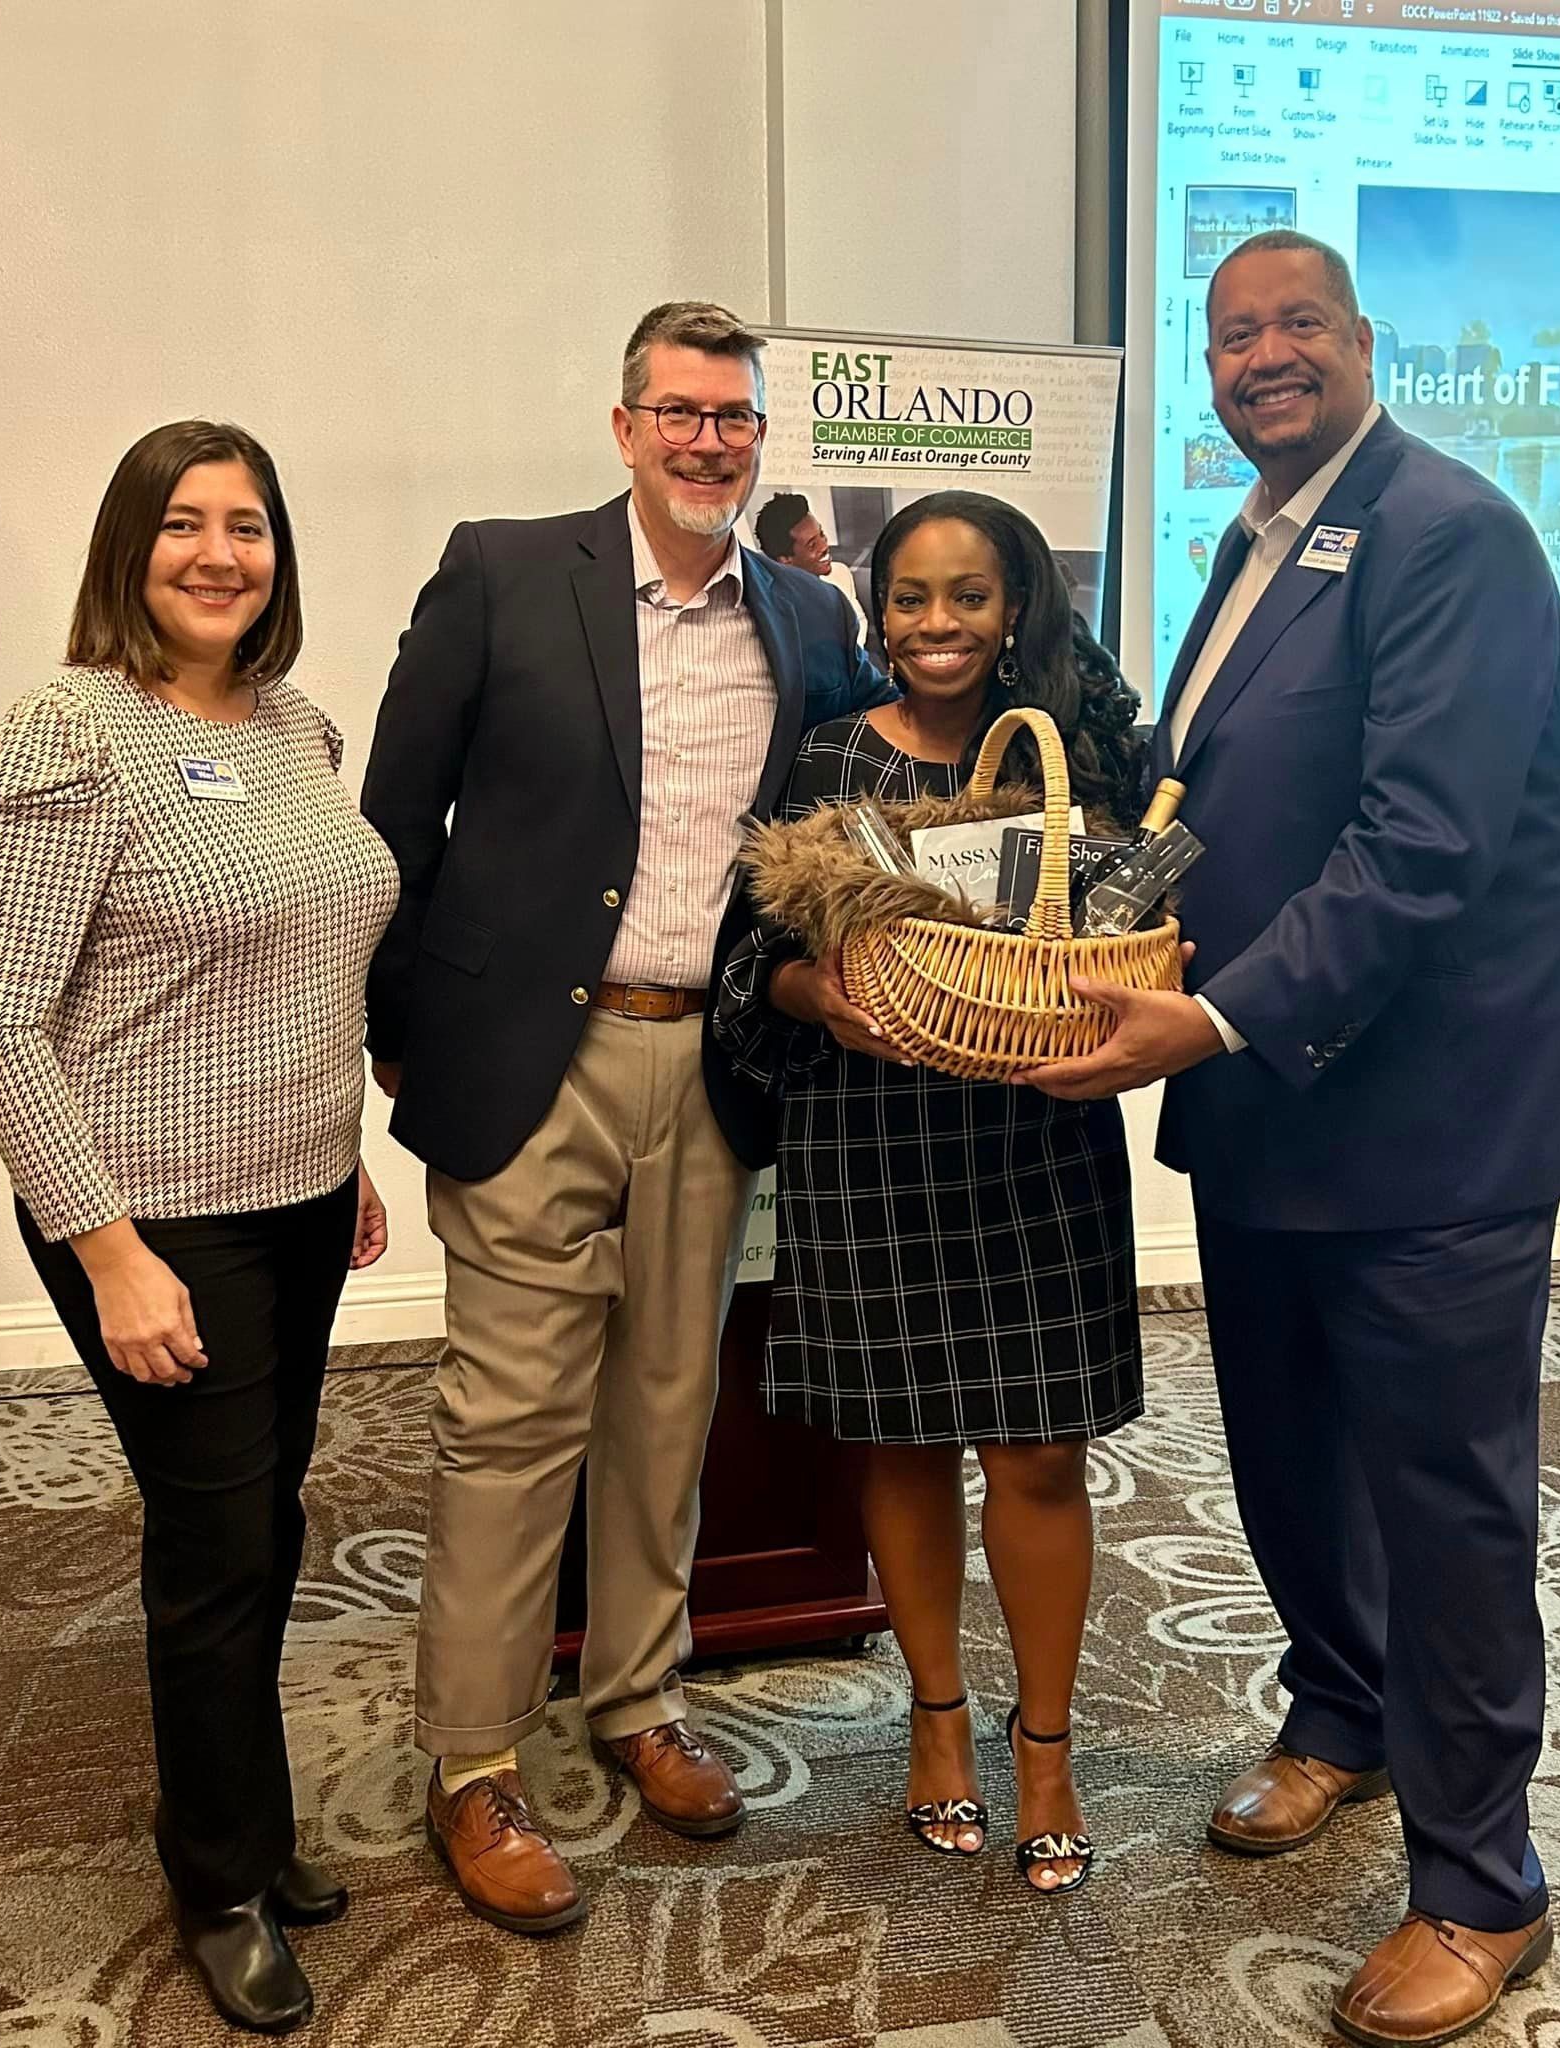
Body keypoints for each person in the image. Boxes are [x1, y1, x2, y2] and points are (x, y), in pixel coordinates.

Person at [1018, 232, 1560, 2045]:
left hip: (1431, 1122)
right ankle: (1342, 1713)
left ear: (1365, 344)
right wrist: (1075, 925)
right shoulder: (1249, 541)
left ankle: (1484, 1879)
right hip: (1277, 1105)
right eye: (1234, 335)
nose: (1264, 356)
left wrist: (1202, 1012)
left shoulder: (1453, 533)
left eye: (1298, 326)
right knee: (1288, 1452)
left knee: (1444, 1498)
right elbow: (1210, 812)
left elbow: (1422, 845)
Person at [361, 301, 889, 1936]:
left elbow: (863, 810)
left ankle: (638, 1698)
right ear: (623, 425)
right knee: (511, 1422)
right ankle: (472, 1759)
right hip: (538, 1061)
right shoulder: (507, 571)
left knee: (669, 1405)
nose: (707, 439)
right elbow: (394, 814)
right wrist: (397, 1033)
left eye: (733, 416)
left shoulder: (809, 615)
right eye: (678, 411)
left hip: (713, 1067)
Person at [0, 421, 399, 2034]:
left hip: (295, 1195)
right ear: (128, 547)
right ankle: (216, 1874)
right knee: (217, 1548)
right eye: (184, 525)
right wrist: (106, 1246)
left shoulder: (300, 725)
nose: (221, 553)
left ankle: (253, 1821)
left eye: (250, 525)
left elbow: (302, 962)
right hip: (152, 1217)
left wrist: (340, 1156)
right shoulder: (66, 732)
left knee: (270, 1519)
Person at [716, 491, 1145, 1894]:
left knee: (1037, 1455)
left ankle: (1046, 1747)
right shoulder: (829, 758)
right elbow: (744, 969)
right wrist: (815, 995)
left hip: (1034, 1141)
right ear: (874, 610)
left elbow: (1143, 933)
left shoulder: (1077, 761)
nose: (938, 625)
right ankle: (938, 1724)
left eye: (968, 596)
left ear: (1013, 605)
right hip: (871, 1141)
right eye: (908, 598)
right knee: (898, 1446)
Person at [754, 490, 870, 644]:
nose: (824, 546)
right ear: (785, 559)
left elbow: (860, 620)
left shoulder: (840, 573)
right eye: (812, 545)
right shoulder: (772, 606)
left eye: (821, 534)